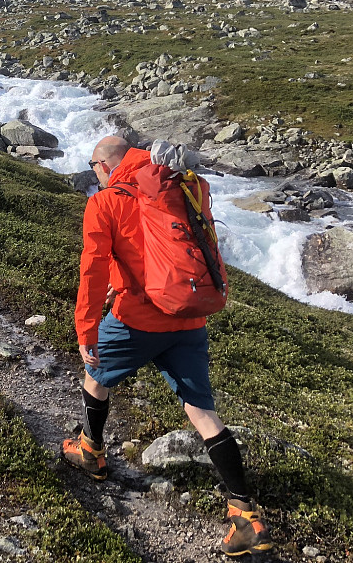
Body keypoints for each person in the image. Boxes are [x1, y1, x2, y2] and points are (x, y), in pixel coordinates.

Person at [62, 135, 272, 558]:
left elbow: (92, 271)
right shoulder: (178, 186)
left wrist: (87, 331)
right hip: (189, 317)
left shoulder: (105, 202)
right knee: (202, 411)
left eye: (94, 165)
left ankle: (91, 450)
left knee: (95, 375)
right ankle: (245, 516)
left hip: (136, 320)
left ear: (105, 165)